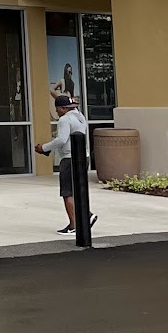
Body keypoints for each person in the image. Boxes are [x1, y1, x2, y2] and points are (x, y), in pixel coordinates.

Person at [37, 92, 95, 235]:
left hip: (69, 159)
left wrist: (44, 148)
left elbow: (61, 140)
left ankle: (74, 225)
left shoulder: (64, 120)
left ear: (63, 108)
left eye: (57, 108)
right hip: (83, 157)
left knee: (67, 192)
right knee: (78, 191)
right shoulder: (80, 116)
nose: (56, 111)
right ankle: (87, 215)